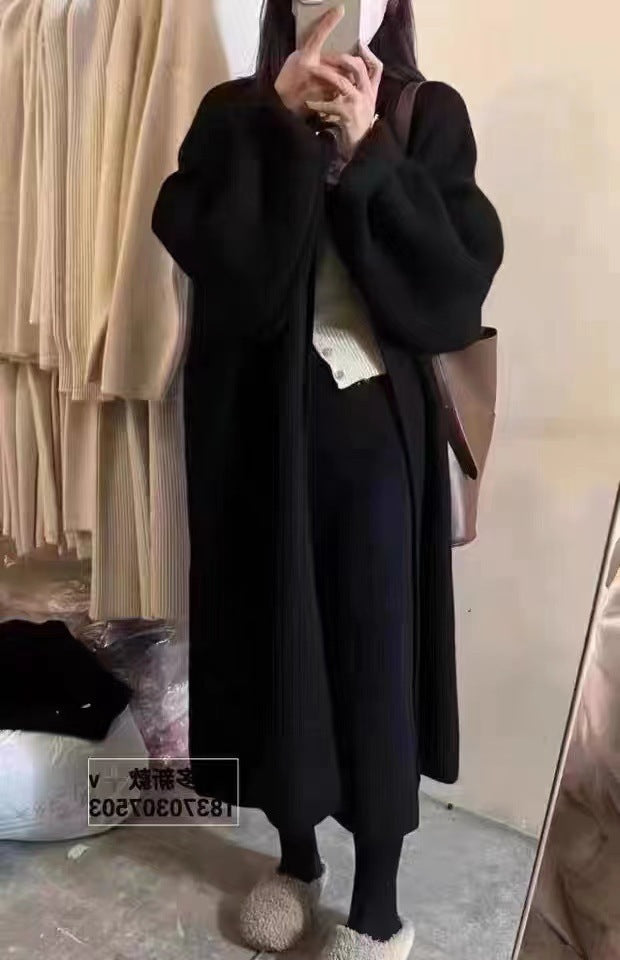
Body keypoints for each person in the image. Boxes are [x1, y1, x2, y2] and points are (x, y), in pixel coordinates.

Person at [152, 2, 504, 957]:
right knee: (270, 641)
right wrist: (276, 127)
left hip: (372, 437)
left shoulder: (427, 113)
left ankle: (378, 904)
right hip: (253, 436)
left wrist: (368, 152)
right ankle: (296, 857)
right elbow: (219, 267)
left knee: (373, 655)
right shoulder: (234, 113)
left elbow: (452, 291)